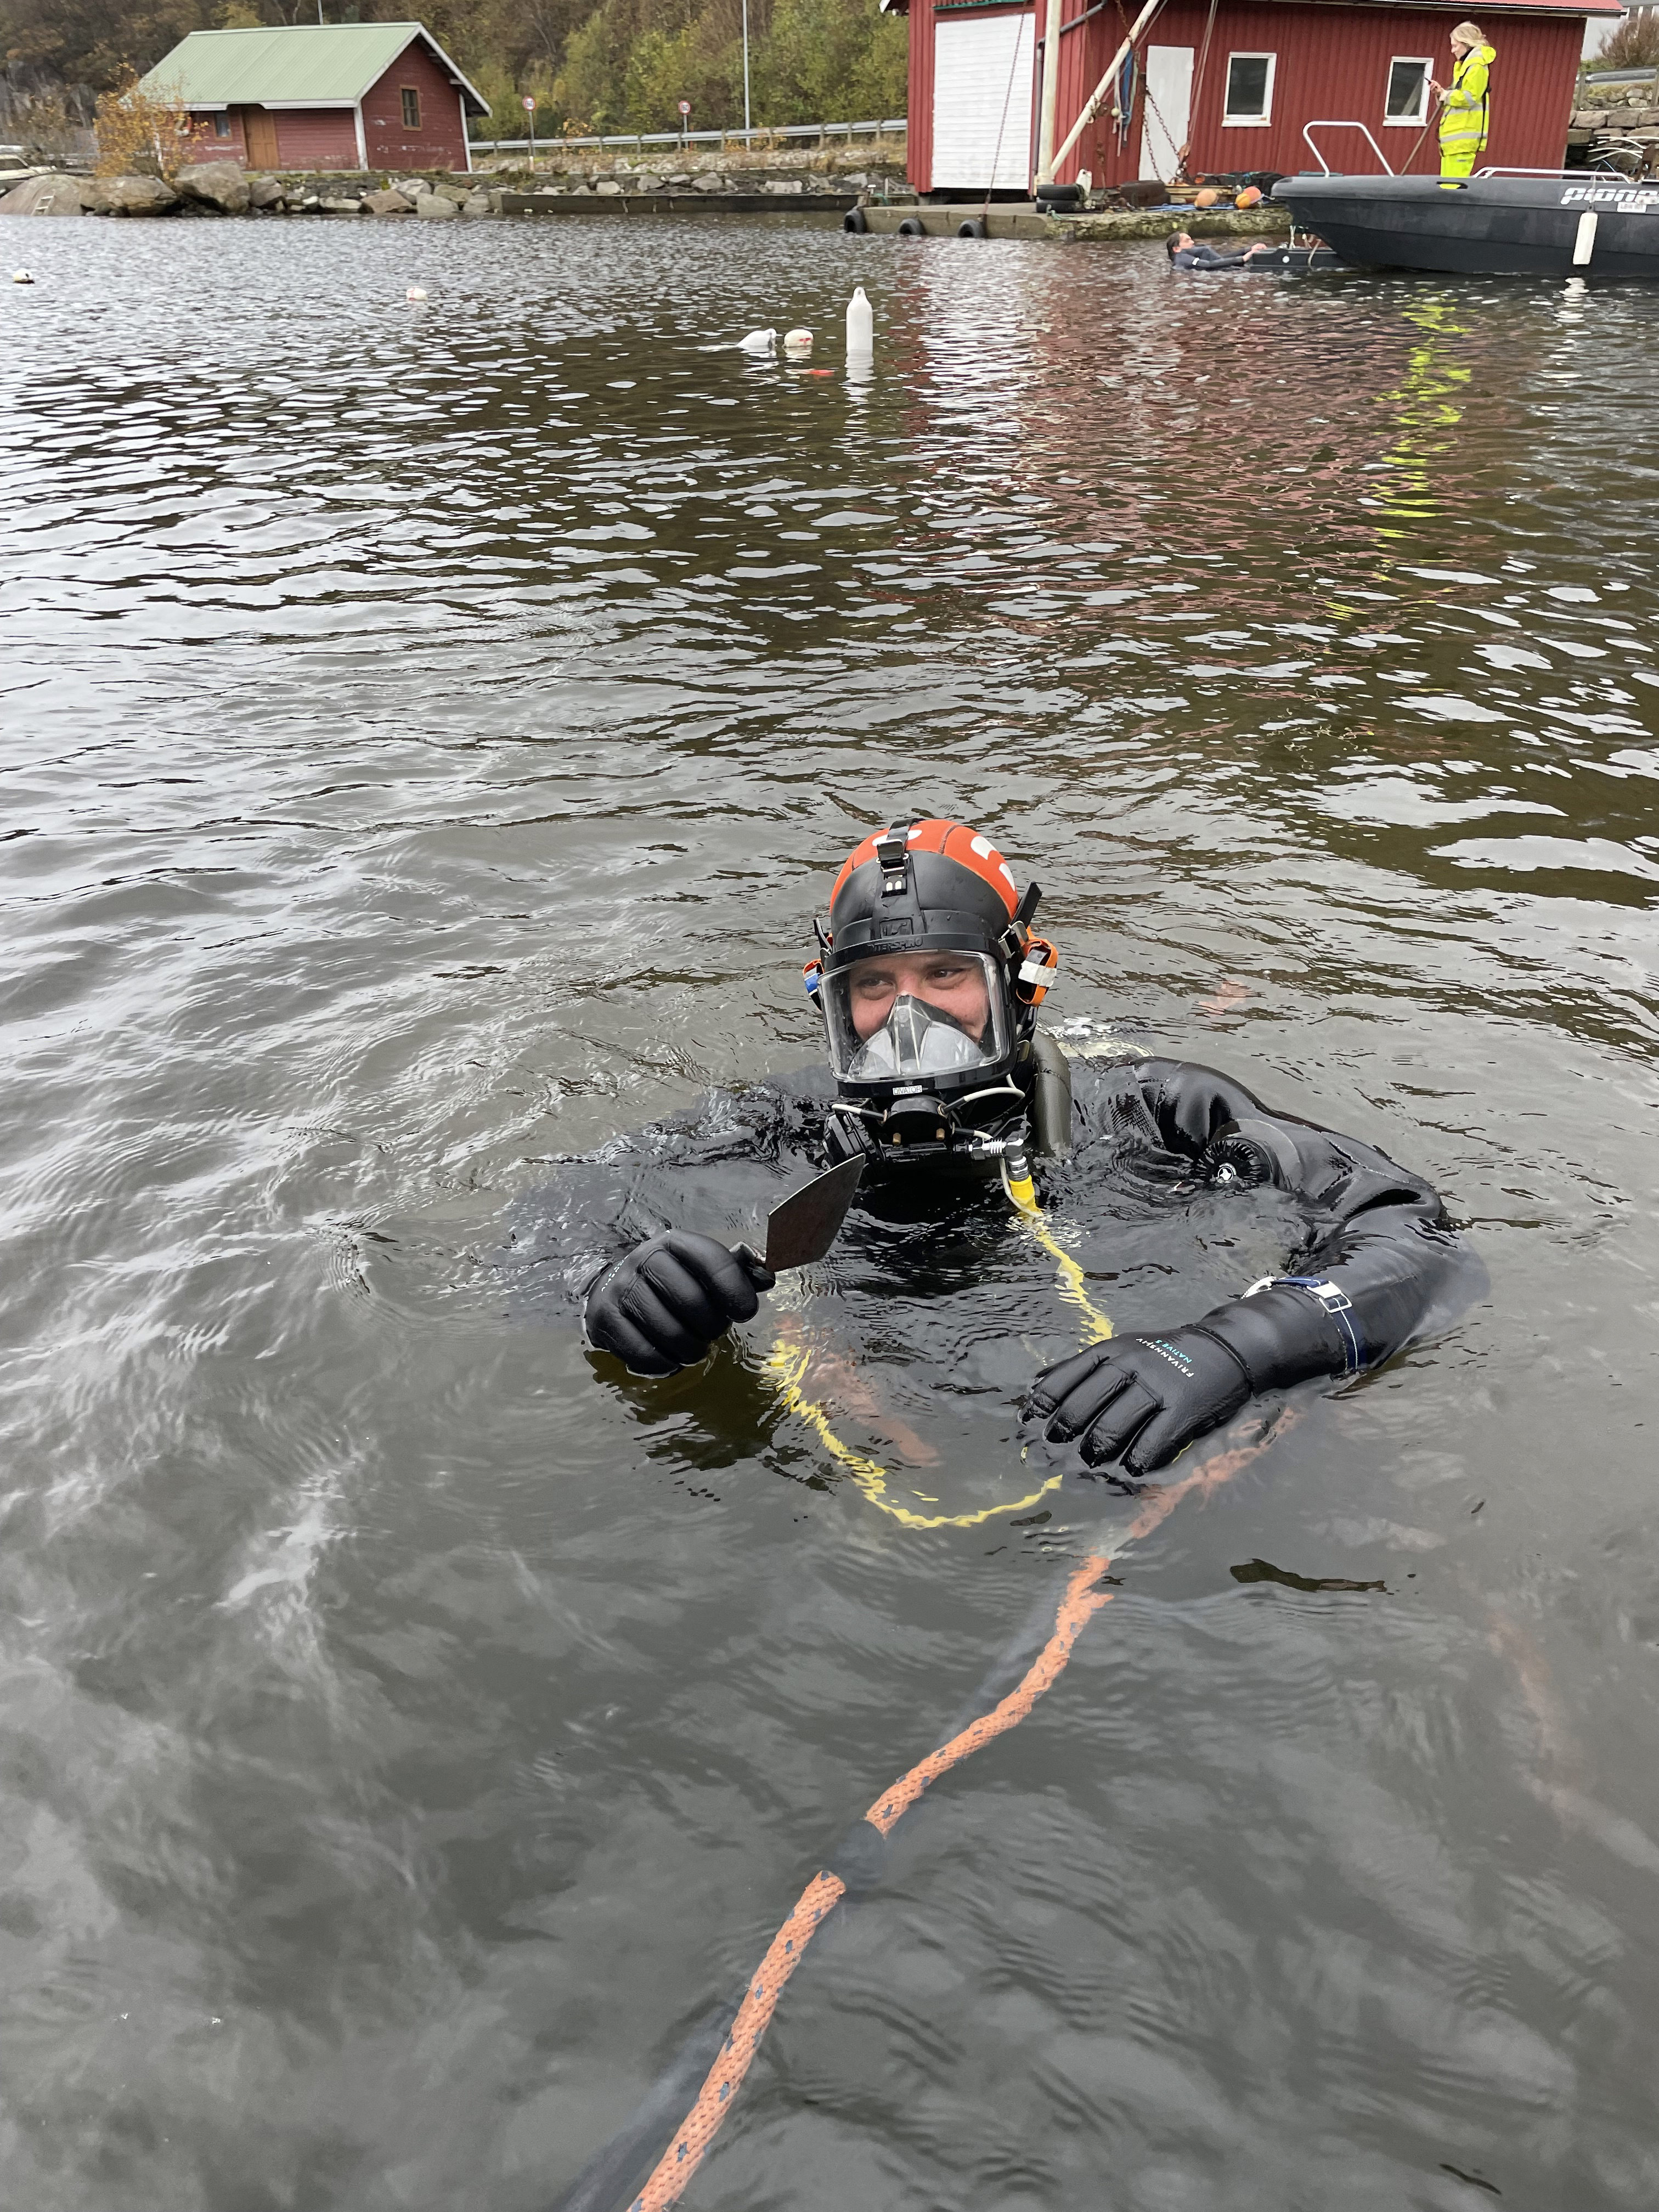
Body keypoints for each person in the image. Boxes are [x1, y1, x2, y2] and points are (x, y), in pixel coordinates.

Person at [557, 817, 1477, 1483]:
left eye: (946, 976)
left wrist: (1230, 1351)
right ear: (829, 1002)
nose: (907, 1019)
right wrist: (613, 1286)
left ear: (1019, 982)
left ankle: (1212, 993)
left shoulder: (1152, 1108)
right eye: (873, 985)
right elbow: (552, 1220)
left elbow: (1414, 1233)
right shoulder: (786, 1122)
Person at [1431, 22, 1495, 183]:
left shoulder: (1477, 66)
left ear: (1466, 44)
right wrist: (1441, 93)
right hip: (1453, 141)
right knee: (1447, 186)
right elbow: (1458, 96)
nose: (1453, 51)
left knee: (1453, 187)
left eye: (1455, 46)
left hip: (1462, 140)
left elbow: (1470, 98)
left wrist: (1446, 95)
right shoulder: (1465, 66)